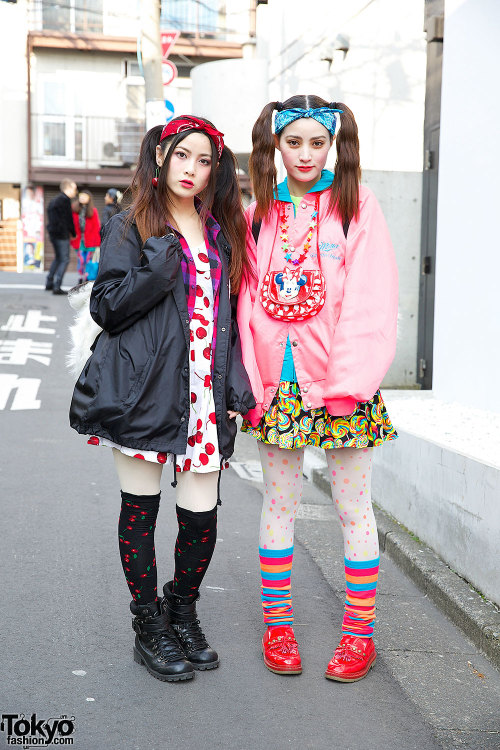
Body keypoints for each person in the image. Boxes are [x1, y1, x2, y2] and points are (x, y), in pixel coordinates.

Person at [69, 117, 255, 682]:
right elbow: (106, 305)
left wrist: (238, 391)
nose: (192, 170)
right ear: (161, 159)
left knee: (201, 517)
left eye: (203, 161)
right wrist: (158, 268)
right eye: (182, 157)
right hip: (143, 389)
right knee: (141, 512)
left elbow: (230, 320)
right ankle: (148, 625)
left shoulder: (222, 233)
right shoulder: (131, 224)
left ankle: (183, 609)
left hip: (204, 391)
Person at [237, 95, 398, 682]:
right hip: (276, 388)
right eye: (293, 142)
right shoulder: (257, 213)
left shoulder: (357, 207)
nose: (305, 154)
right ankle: (277, 627)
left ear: (334, 145)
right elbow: (246, 305)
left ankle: (360, 634)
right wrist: (249, 387)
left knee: (353, 505)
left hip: (343, 386)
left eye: (317, 142)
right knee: (279, 503)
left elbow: (372, 301)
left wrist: (349, 385)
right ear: (275, 146)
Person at [45, 179, 78, 294]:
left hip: (53, 233)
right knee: (64, 259)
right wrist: (73, 233)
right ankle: (56, 286)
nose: (76, 191)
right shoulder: (64, 200)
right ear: (68, 188)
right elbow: (68, 219)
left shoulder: (54, 200)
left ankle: (49, 282)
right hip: (61, 234)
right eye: (74, 189)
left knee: (58, 258)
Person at [71, 190, 101, 285]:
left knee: (88, 260)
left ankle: (87, 277)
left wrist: (97, 242)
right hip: (79, 241)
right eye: (81, 196)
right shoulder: (74, 210)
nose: (82, 198)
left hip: (90, 241)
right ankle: (80, 277)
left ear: (89, 199)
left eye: (85, 197)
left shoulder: (93, 211)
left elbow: (97, 227)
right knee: (81, 260)